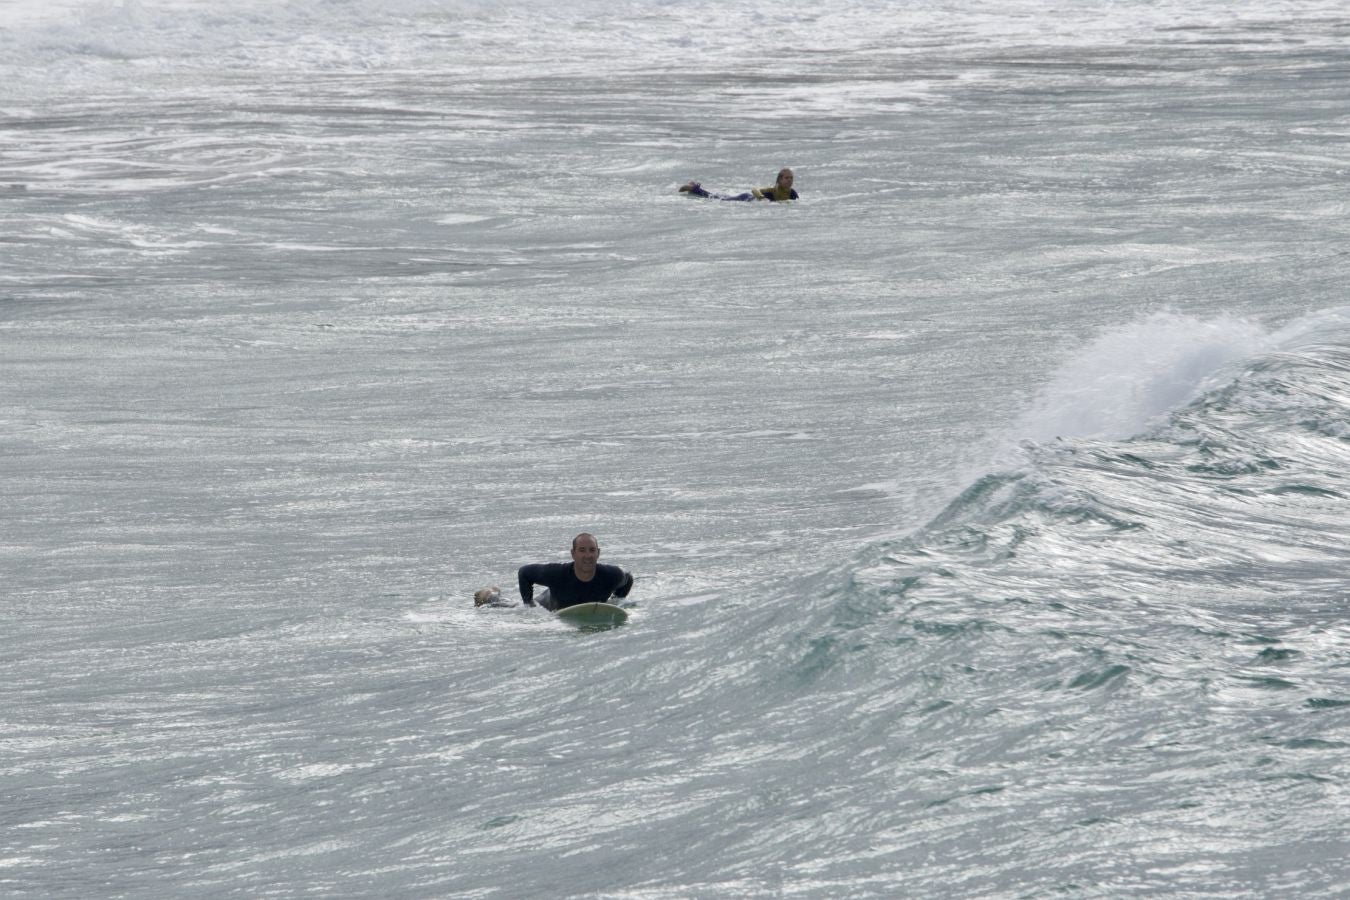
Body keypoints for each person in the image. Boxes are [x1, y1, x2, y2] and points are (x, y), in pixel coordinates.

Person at [482, 532, 634, 611]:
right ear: (573, 554)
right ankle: (491, 595)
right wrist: (529, 607)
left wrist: (616, 601)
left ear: (598, 553)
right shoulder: (557, 573)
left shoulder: (611, 575)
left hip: (581, 608)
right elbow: (524, 573)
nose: (588, 556)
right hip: (546, 606)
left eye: (592, 550)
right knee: (508, 607)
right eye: (582, 550)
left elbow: (628, 578)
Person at [679, 167, 799, 202]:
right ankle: (694, 188)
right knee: (719, 199)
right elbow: (755, 189)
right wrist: (761, 197)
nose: (789, 180)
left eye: (791, 178)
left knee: (720, 196)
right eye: (787, 178)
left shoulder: (792, 193)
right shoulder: (773, 190)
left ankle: (695, 187)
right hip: (746, 198)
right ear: (779, 180)